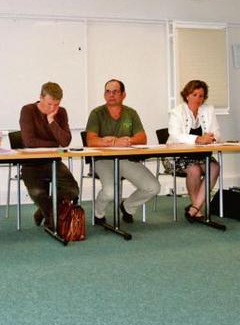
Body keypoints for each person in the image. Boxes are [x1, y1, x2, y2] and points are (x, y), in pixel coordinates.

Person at [85, 79, 160, 224]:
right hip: (103, 160)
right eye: (108, 91)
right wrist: (114, 142)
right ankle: (98, 213)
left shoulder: (131, 113)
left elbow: (142, 137)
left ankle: (127, 207)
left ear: (123, 94)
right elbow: (91, 140)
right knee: (110, 192)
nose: (111, 95)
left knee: (153, 187)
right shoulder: (96, 113)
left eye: (115, 91)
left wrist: (130, 140)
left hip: (126, 159)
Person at [19, 82, 79, 230]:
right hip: (31, 163)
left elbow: (65, 141)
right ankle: (53, 218)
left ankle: (43, 213)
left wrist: (51, 121)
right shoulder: (28, 110)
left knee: (72, 190)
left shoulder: (61, 113)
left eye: (56, 104)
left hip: (53, 161)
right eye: (49, 104)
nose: (52, 108)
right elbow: (29, 142)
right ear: (40, 98)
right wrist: (53, 144)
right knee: (37, 192)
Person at [168, 80, 222, 222]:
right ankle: (197, 209)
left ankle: (195, 207)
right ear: (187, 95)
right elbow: (175, 135)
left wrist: (212, 137)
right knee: (195, 170)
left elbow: (217, 133)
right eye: (195, 94)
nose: (198, 99)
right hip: (177, 155)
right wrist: (198, 139)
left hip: (201, 155)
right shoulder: (177, 111)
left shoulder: (208, 110)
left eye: (201, 96)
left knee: (215, 168)